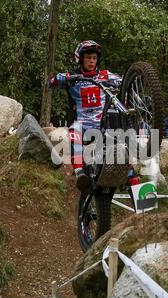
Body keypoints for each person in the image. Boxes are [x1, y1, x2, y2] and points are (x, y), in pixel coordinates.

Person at [48, 40, 133, 193]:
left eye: (94, 58)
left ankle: (130, 172)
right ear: (80, 59)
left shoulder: (105, 75)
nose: (91, 61)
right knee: (75, 131)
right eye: (88, 58)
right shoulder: (73, 78)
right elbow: (51, 83)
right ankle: (80, 172)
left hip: (102, 124)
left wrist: (130, 80)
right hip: (82, 124)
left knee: (120, 134)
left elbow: (124, 82)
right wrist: (60, 78)